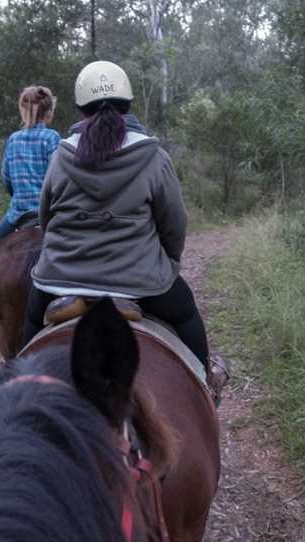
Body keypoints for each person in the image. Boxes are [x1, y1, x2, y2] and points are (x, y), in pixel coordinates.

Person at [23, 61, 216, 383]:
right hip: (138, 279)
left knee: (30, 318)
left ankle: (15, 383)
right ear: (127, 104)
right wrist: (168, 261)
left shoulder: (62, 154)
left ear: (82, 109)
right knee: (185, 314)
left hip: (61, 277)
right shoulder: (153, 155)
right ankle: (204, 383)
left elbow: (46, 215)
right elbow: (174, 223)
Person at [0, 85, 61, 260]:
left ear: (23, 110)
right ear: (49, 112)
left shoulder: (13, 139)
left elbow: (6, 179)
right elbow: (60, 178)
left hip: (18, 214)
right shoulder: (52, 137)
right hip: (48, 214)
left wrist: (19, 193)